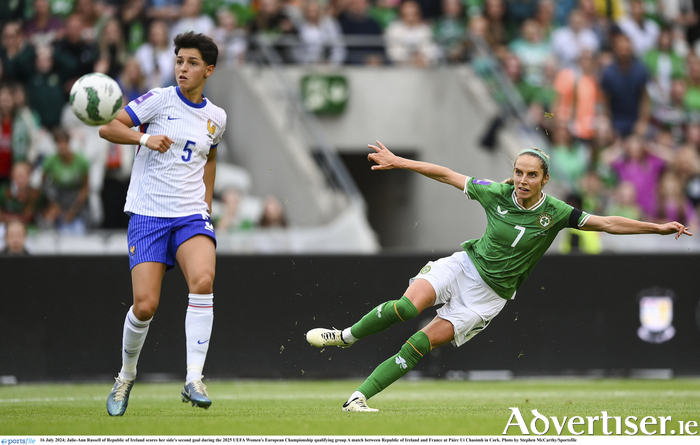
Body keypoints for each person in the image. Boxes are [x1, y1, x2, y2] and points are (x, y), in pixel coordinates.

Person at [306, 141, 691, 412]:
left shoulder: (556, 212)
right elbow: (446, 174)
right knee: (407, 307)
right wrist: (400, 161)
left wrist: (655, 228)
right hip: (463, 267)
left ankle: (358, 398)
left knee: (418, 345)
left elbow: (607, 222)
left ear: (544, 179)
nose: (522, 180)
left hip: (488, 298)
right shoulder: (496, 193)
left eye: (531, 175)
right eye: (518, 172)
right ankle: (346, 337)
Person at [98, 31, 227, 416]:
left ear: (209, 69)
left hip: (190, 214)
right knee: (145, 306)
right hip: (149, 214)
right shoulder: (157, 99)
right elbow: (108, 128)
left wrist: (205, 205)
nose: (182, 68)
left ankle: (193, 378)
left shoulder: (216, 117)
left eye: (190, 63)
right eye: (178, 61)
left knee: (203, 281)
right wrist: (143, 139)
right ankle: (125, 376)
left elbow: (211, 159)